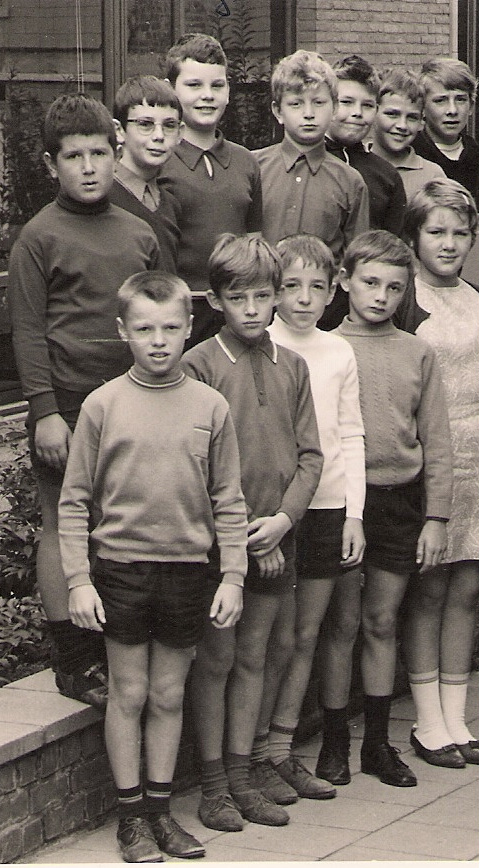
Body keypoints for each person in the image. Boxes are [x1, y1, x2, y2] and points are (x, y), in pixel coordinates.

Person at [58, 272, 246, 862]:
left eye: (170, 328)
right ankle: (131, 818)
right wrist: (79, 580)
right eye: (144, 329)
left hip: (187, 570)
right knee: (129, 693)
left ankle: (162, 813)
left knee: (169, 694)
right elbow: (74, 501)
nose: (158, 341)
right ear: (123, 332)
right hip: (121, 570)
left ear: (190, 328)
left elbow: (229, 499)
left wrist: (234, 575)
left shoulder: (210, 407)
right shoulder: (103, 405)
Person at [7, 93, 161, 710]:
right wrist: (44, 409)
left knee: (125, 522)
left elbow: (162, 314)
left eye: (100, 152)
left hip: (136, 401)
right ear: (52, 165)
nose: (90, 167)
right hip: (67, 404)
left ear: (116, 151)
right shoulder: (38, 238)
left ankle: (122, 640)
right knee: (63, 525)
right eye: (74, 156)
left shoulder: (140, 233)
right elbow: (26, 329)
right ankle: (72, 658)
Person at [182, 233, 323, 830]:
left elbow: (311, 456)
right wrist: (239, 540)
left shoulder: (292, 365)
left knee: (259, 658)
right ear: (215, 300)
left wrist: (285, 521)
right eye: (236, 296)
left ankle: (246, 773)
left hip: (278, 537)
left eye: (261, 296)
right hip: (221, 548)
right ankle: (215, 786)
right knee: (217, 662)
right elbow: (195, 468)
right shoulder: (199, 365)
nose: (250, 309)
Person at [332, 229, 452, 788]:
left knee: (382, 621)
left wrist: (436, 517)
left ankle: (377, 745)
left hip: (399, 500)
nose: (380, 296)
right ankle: (334, 741)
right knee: (340, 623)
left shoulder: (418, 352)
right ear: (345, 281)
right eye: (370, 283)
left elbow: (437, 439)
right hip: (340, 503)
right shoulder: (328, 348)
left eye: (394, 287)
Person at [395, 180, 479, 768]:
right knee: (429, 589)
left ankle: (457, 718)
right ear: (413, 237)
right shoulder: (404, 300)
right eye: (436, 231)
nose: (449, 243)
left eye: (460, 232)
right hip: (429, 459)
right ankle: (427, 720)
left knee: (467, 587)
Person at [255, 234, 366, 800]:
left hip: (326, 506)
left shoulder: (338, 351)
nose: (302, 299)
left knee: (304, 634)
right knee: (269, 636)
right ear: (272, 292)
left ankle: (281, 750)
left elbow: (350, 433)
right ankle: (251, 753)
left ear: (333, 291)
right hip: (274, 511)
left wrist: (354, 514)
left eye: (316, 288)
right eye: (290, 286)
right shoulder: (261, 343)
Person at [159, 33, 264, 346]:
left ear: (228, 91)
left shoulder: (246, 162)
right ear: (170, 89)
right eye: (194, 85)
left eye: (217, 85)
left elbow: (253, 243)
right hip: (178, 314)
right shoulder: (159, 162)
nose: (207, 95)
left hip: (235, 313)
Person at [254, 50, 370, 268]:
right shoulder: (253, 168)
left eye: (318, 102)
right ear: (278, 111)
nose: (308, 113)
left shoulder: (350, 182)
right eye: (296, 104)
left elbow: (355, 261)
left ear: (334, 108)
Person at [319, 54, 409, 329]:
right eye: (346, 102)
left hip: (368, 308)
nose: (357, 112)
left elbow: (395, 247)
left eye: (367, 105)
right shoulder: (309, 165)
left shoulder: (386, 176)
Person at [109, 75, 184, 275]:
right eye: (145, 124)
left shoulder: (170, 203)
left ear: (180, 133)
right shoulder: (103, 197)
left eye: (169, 125)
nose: (159, 136)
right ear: (119, 130)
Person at [368, 68, 447, 203]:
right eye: (392, 114)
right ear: (373, 112)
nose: (402, 126)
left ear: (422, 121)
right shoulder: (352, 163)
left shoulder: (432, 175)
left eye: (412, 117)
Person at [413, 58, 479, 196]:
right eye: (440, 100)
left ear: (471, 107)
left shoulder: (474, 151)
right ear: (422, 109)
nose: (452, 110)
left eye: (460, 99)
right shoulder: (412, 150)